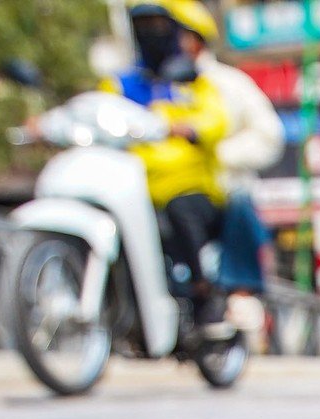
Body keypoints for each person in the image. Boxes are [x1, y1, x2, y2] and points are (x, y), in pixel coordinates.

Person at [101, 1, 268, 338]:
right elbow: (100, 112)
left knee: (195, 208)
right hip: (134, 188)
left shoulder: (201, 82)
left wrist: (194, 132)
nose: (151, 34)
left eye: (160, 26)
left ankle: (207, 291)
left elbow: (222, 121)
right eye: (143, 25)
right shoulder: (122, 82)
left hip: (197, 188)